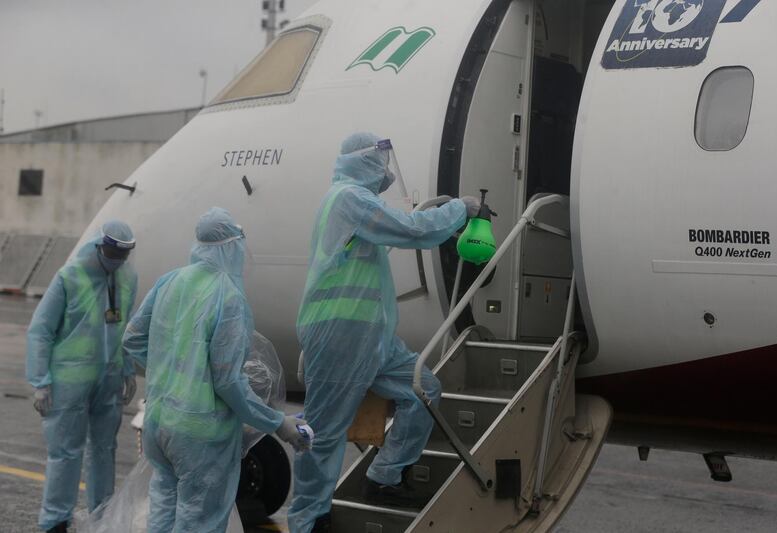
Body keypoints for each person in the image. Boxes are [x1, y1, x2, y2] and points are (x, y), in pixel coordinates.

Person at [288, 133, 481, 532]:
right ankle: (308, 518)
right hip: (340, 334)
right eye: (378, 159)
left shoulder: (356, 203)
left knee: (422, 390)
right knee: (324, 432)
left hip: (370, 338)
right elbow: (411, 230)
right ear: (361, 162)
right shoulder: (348, 199)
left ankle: (384, 477)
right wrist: (460, 210)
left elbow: (398, 232)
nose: (384, 167)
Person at [122, 207, 310, 533]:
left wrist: (172, 368)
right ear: (228, 246)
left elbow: (133, 337)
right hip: (200, 434)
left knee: (163, 515)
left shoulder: (170, 281)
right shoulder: (228, 296)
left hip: (160, 422)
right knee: (200, 522)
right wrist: (278, 422)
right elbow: (228, 382)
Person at [26, 221, 138, 533]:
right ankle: (55, 521)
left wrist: (127, 368)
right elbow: (41, 330)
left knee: (105, 449)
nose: (117, 258)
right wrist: (40, 380)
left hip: (109, 377)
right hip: (68, 379)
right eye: (113, 251)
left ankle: (102, 516)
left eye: (123, 254)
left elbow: (125, 326)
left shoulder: (127, 277)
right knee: (65, 452)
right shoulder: (69, 276)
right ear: (100, 245)